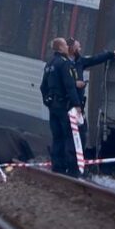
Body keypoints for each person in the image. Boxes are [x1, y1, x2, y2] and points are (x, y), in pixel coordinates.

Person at [66, 38, 115, 155]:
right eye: (78, 47)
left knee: (81, 133)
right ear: (72, 49)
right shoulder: (63, 64)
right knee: (69, 135)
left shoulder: (79, 62)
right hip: (67, 105)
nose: (80, 49)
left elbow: (94, 59)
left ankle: (76, 163)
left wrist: (111, 54)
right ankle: (67, 162)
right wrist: (75, 83)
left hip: (78, 106)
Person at [39, 38, 82, 176]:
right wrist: (77, 104)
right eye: (64, 45)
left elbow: (43, 86)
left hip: (53, 106)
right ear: (60, 48)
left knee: (56, 137)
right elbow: (69, 86)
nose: (67, 47)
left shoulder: (49, 63)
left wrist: (47, 101)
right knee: (69, 136)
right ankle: (72, 169)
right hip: (64, 106)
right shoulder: (64, 64)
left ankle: (57, 166)